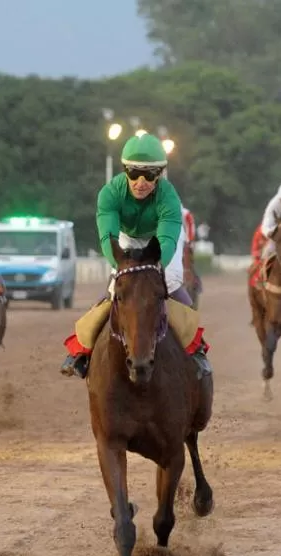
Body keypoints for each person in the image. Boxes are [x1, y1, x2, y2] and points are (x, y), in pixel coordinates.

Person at [59, 132, 211, 379]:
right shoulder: (109, 193)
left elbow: (167, 240)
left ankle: (197, 350)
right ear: (124, 171)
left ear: (159, 174)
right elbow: (108, 238)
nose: (141, 182)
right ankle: (80, 351)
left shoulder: (169, 197)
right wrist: (122, 267)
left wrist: (153, 269)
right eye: (134, 173)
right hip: (126, 238)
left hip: (160, 240)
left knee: (169, 283)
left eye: (150, 175)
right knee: (115, 289)